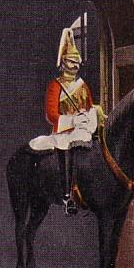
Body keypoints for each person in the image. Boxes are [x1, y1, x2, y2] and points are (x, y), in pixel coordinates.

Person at [29, 27, 102, 215]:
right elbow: (51, 115)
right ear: (63, 62)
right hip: (64, 130)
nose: (75, 64)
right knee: (66, 149)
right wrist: (72, 121)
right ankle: (67, 195)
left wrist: (88, 117)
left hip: (82, 128)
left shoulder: (83, 85)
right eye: (71, 61)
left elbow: (88, 106)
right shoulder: (55, 86)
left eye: (77, 61)